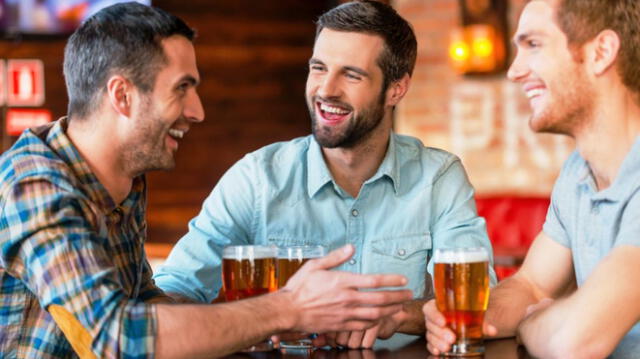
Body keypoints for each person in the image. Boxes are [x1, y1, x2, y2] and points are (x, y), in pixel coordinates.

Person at [0, 3, 415, 358]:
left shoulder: (119, 183)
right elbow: (118, 341)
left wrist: (266, 319)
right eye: (183, 88)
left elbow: (147, 307)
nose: (197, 111)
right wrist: (288, 308)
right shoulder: (35, 183)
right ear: (122, 96)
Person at [154, 0, 496, 349]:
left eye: (351, 74)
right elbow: (170, 294)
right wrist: (268, 314)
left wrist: (397, 316)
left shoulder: (438, 177)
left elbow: (477, 304)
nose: (326, 90)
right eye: (318, 68)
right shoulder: (256, 179)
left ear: (396, 88)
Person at [424, 0, 640, 357]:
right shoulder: (578, 173)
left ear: (601, 52)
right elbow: (533, 286)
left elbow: (575, 342)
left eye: (533, 45)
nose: (514, 70)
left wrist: (530, 323)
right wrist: (467, 318)